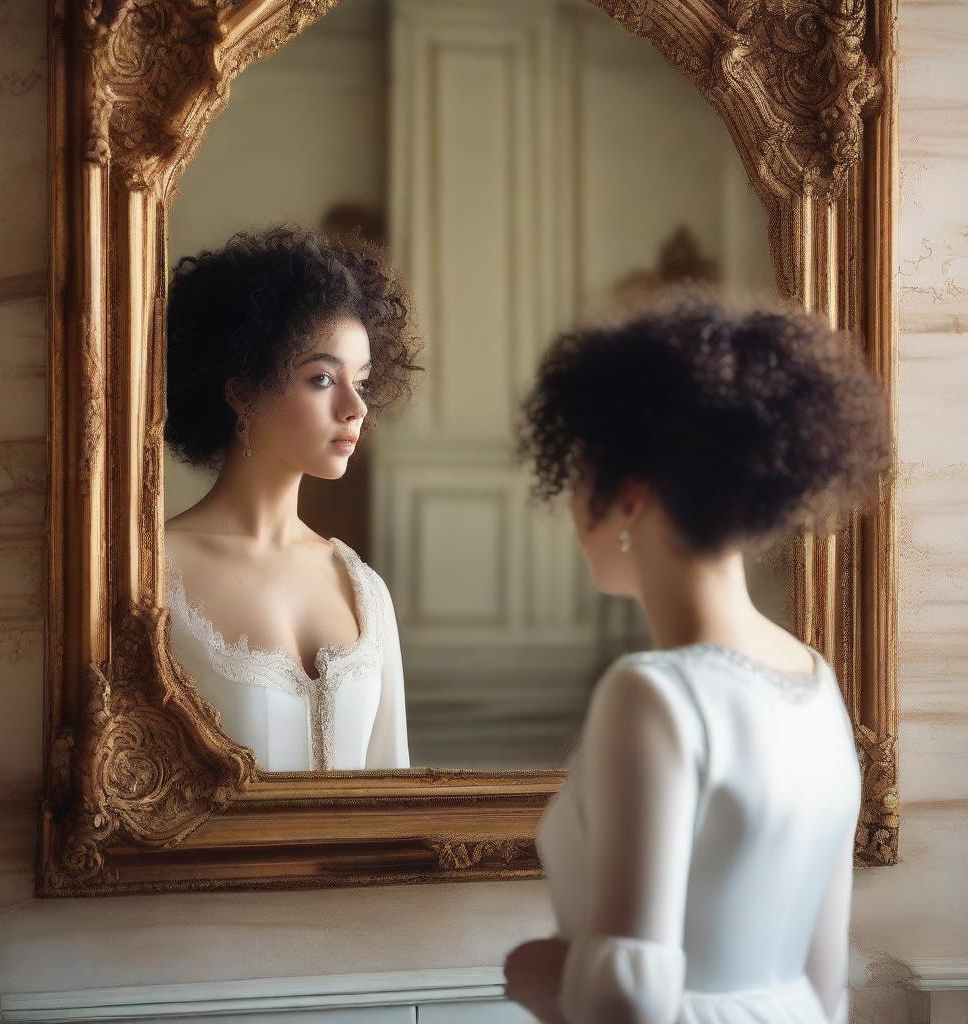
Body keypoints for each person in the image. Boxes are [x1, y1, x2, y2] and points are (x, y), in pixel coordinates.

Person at [503, 288, 892, 1023]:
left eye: (583, 466)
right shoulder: (816, 684)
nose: (569, 496)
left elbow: (628, 998)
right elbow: (825, 976)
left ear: (630, 492)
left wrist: (542, 978)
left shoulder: (652, 693)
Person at [163, 223, 423, 772]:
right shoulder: (153, 576)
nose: (356, 406)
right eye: (323, 380)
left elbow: (394, 794)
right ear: (240, 392)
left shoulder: (363, 589)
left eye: (363, 381)